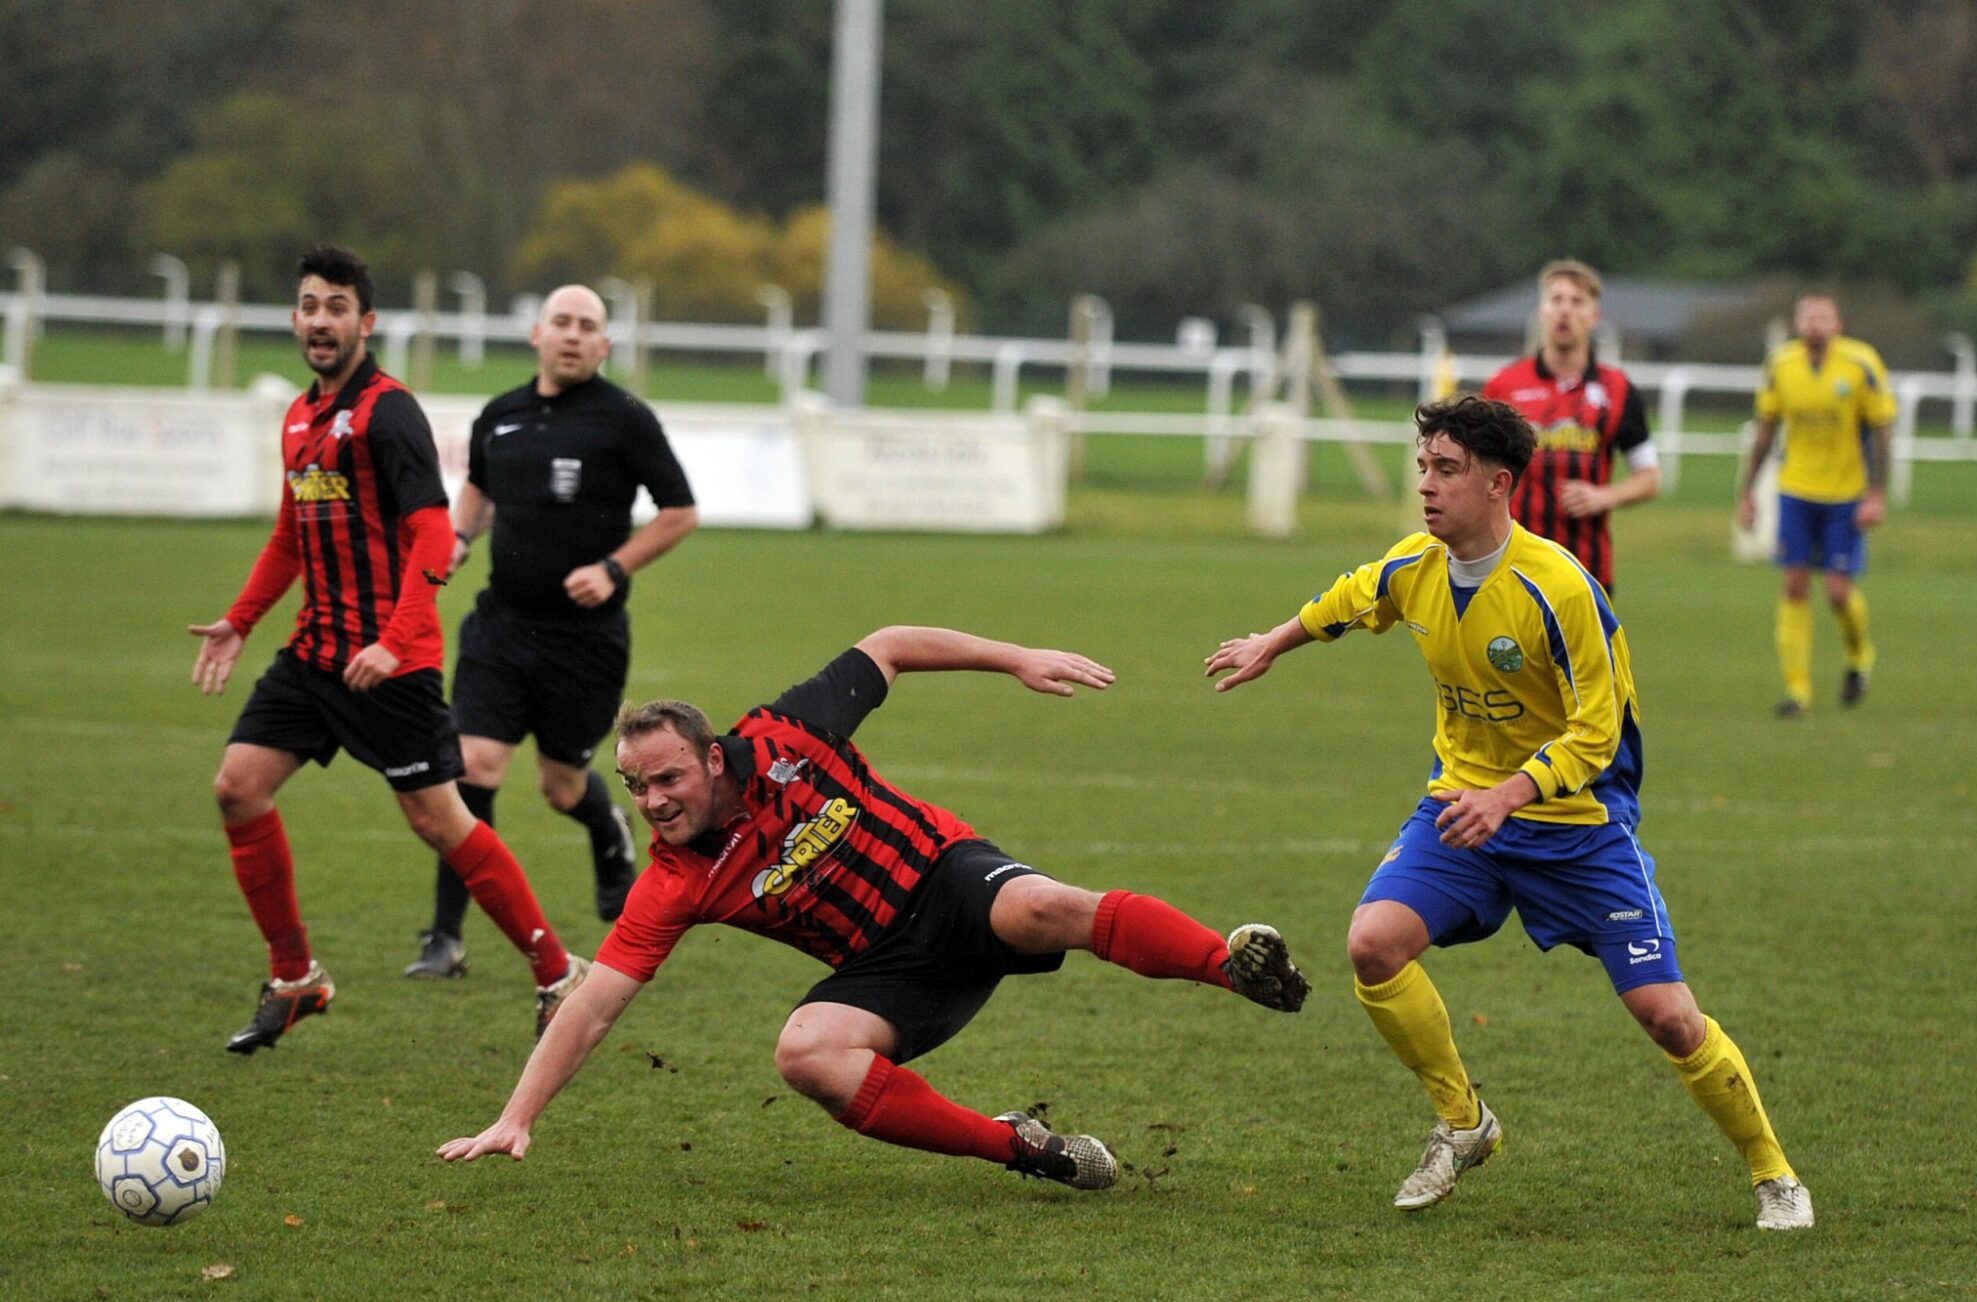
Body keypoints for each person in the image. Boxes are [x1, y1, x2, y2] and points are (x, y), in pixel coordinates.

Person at [1204, 395, 1812, 1230]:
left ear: (1498, 484)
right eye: (1423, 466)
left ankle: (1773, 1171)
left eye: (1445, 470)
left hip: (1577, 830)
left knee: (1669, 1018)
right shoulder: (1414, 565)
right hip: (1462, 813)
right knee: (1373, 944)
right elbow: (1350, 598)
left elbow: (1598, 735)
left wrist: (1512, 792)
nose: (1426, 485)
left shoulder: (1558, 587)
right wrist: (1273, 641)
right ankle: (1463, 1122)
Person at [438, 626, 1312, 1189]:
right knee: (804, 1053)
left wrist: (1014, 659)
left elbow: (888, 644)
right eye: (637, 788)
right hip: (890, 970)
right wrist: (515, 1118)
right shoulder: (673, 879)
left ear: (710, 757)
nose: (656, 800)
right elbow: (593, 1004)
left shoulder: (788, 735)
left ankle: (1228, 965)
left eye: (668, 777)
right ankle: (1022, 1147)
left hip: (948, 879)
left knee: (1041, 904)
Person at [189, 245, 588, 1054]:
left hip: (391, 661)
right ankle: (296, 977)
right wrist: (240, 618)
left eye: (337, 307)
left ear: (364, 323)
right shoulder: (300, 417)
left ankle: (558, 971)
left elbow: (435, 537)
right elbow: (289, 537)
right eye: (308, 305)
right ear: (296, 319)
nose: (320, 321)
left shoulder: (388, 412)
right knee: (238, 787)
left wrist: (394, 639)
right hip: (315, 653)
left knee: (438, 819)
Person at [406, 284, 698, 982]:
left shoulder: (624, 418)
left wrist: (613, 567)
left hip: (585, 642)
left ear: (603, 345)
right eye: (561, 322)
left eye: (587, 326)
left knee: (563, 785)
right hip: (500, 626)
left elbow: (679, 510)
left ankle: (608, 829)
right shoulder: (500, 415)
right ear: (537, 333)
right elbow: (478, 488)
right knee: (472, 767)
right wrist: (458, 537)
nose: (572, 335)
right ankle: (445, 936)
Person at [1736, 291, 1895, 716]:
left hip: (1846, 494)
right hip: (1796, 491)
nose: (1815, 322)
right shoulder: (1781, 365)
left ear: (1837, 323)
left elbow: (1882, 429)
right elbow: (1766, 430)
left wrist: (1876, 493)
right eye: (1807, 315)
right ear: (1797, 323)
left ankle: (1860, 657)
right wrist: (1748, 493)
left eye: (1823, 315)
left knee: (1839, 594)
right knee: (1794, 585)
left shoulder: (1862, 364)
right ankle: (1797, 692)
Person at [1482, 258, 1658, 597]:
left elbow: (1650, 478)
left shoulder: (1618, 390)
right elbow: (1477, 471)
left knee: (1583, 653)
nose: (1565, 311)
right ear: (1541, 311)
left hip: (1588, 567)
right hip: (1514, 564)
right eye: (1556, 300)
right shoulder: (1504, 386)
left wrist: (1605, 496)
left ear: (1594, 316)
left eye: (1577, 302)